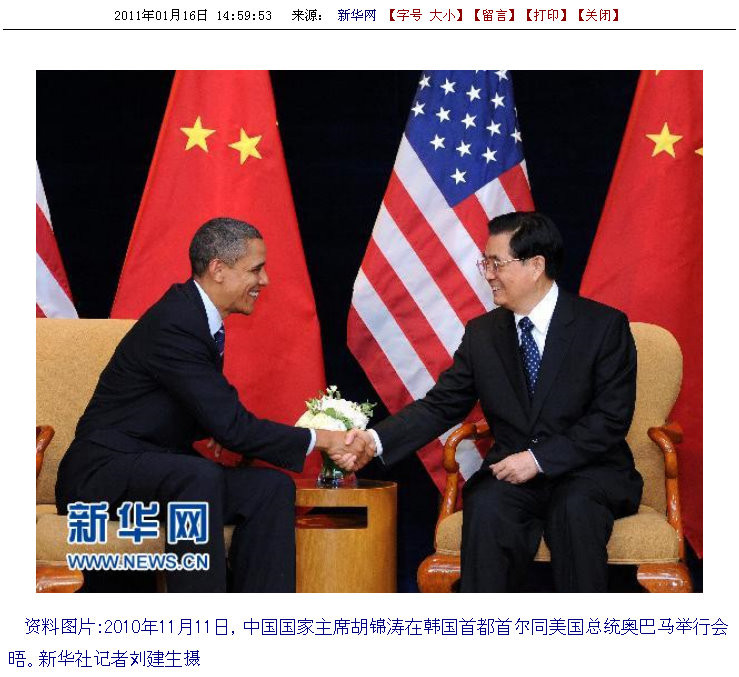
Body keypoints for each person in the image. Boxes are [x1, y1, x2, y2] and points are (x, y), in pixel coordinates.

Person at [55, 216, 368, 593]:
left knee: (270, 488)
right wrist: (323, 439)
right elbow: (233, 425)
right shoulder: (177, 322)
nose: (265, 280)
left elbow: (191, 408)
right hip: (100, 475)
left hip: (155, 469)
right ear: (218, 270)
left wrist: (214, 428)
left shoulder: (198, 318)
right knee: (197, 476)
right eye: (256, 269)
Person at [346, 211, 643, 592]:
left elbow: (610, 419)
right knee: (486, 506)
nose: (488, 274)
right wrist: (374, 440)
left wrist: (538, 459)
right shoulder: (482, 334)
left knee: (574, 508)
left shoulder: (602, 326)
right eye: (485, 263)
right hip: (511, 475)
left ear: (536, 266)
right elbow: (440, 405)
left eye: (496, 263)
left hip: (588, 472)